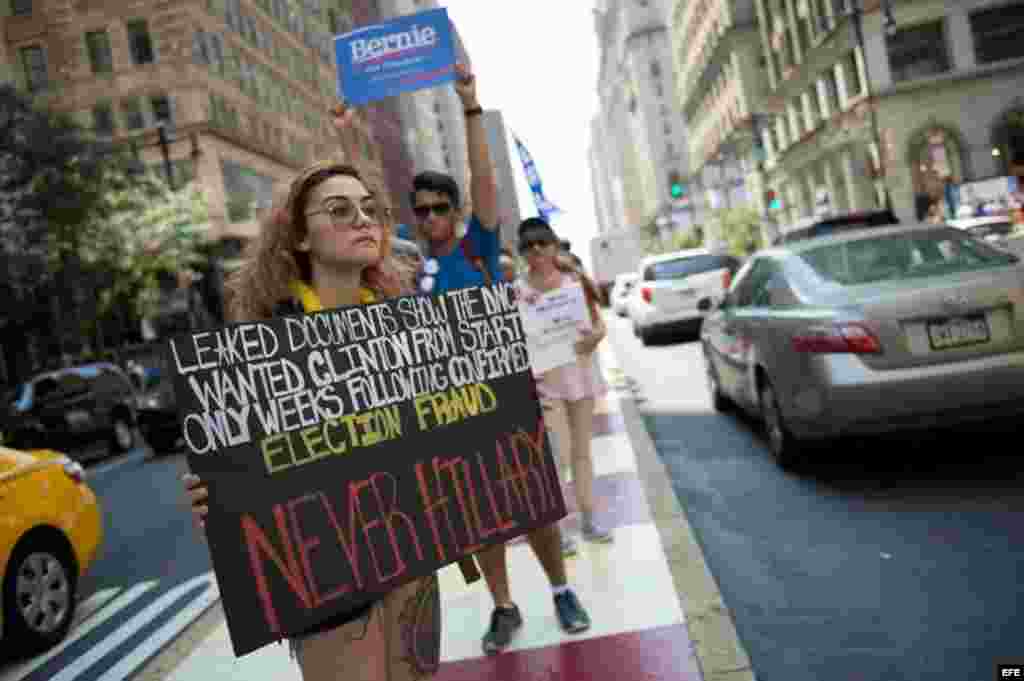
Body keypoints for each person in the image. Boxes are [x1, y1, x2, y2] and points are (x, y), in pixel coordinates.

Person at [334, 65, 592, 655]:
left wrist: (471, 107)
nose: (427, 218)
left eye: (436, 208)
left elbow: (484, 177)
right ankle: (503, 606)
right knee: (477, 519)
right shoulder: (403, 267)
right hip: (447, 413)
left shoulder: (476, 249)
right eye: (419, 210)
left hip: (506, 400)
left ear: (455, 211)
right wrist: (349, 135)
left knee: (533, 511)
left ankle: (559, 590)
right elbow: (365, 204)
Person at [181, 161, 440, 681]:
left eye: (371, 209)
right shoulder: (261, 345)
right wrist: (217, 495)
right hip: (323, 561)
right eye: (339, 210)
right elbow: (240, 465)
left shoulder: (408, 326)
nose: (362, 219)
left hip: (409, 544)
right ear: (300, 237)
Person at [517, 217, 613, 556]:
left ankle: (589, 518)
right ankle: (559, 528)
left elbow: (599, 325)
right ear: (522, 252)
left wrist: (593, 339)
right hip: (546, 383)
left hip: (580, 375)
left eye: (542, 242)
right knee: (557, 457)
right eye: (529, 245)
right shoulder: (519, 291)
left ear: (553, 245)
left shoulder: (574, 281)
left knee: (582, 452)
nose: (537, 250)